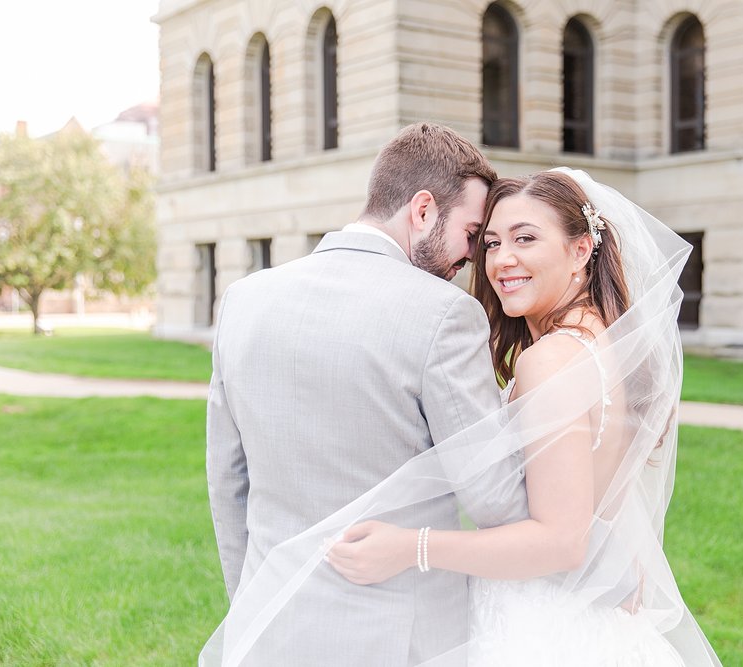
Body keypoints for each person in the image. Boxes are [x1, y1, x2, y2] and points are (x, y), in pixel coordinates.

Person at [322, 169, 722, 666]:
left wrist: (409, 547)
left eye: (525, 239)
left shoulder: (551, 359)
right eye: (489, 243)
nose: (501, 259)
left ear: (581, 250)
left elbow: (559, 541)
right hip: (588, 614)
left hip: (542, 627)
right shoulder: (605, 343)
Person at [202, 122, 528, 666]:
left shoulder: (243, 300)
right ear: (422, 210)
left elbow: (228, 483)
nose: (473, 257)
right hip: (400, 638)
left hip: (269, 627)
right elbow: (496, 500)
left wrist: (254, 602)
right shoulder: (445, 315)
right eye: (472, 234)